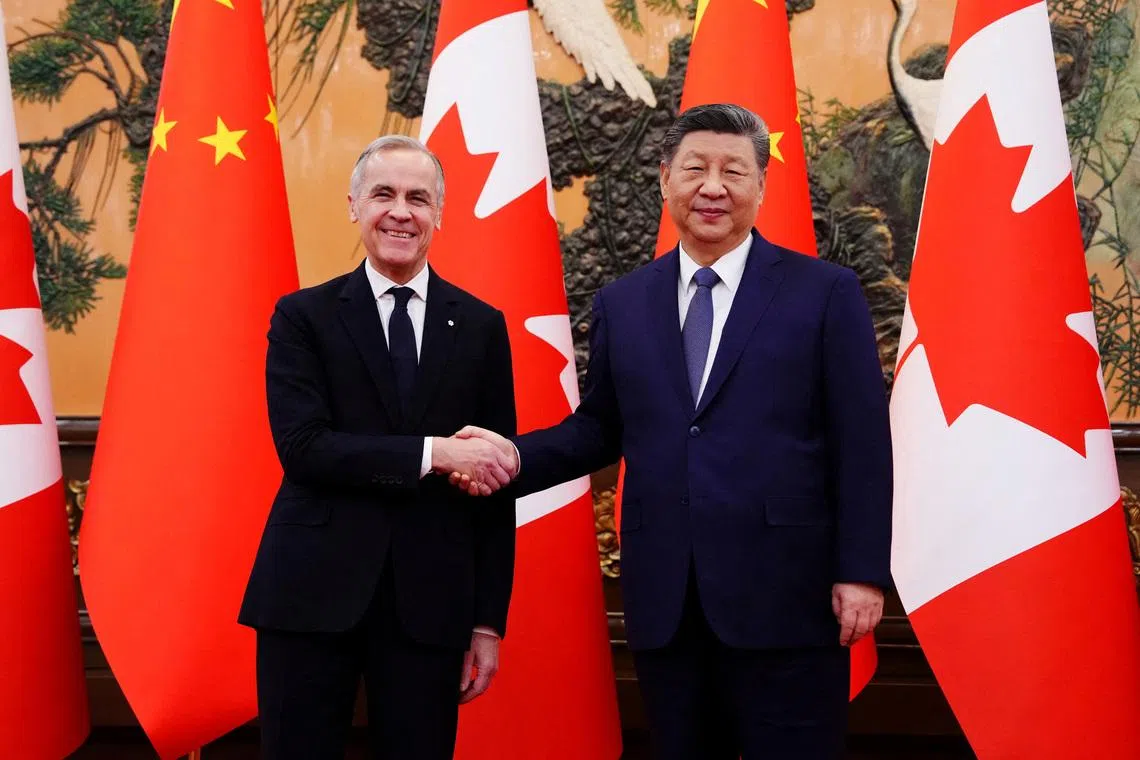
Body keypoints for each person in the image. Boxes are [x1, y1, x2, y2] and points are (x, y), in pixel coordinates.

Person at [454, 104, 893, 759]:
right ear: (665, 180)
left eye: (732, 171)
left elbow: (862, 441)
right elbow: (599, 430)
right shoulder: (624, 303)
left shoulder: (824, 293)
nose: (711, 187)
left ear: (762, 186)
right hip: (669, 602)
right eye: (695, 169)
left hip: (789, 599)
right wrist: (510, 455)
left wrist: (861, 572)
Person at [238, 135, 518, 760]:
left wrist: (485, 621)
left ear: (440, 214)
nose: (401, 211)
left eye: (418, 198)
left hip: (431, 602)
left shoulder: (480, 326)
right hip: (310, 595)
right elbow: (305, 448)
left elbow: (496, 482)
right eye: (383, 194)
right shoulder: (302, 317)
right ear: (354, 205)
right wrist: (435, 453)